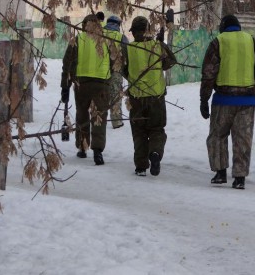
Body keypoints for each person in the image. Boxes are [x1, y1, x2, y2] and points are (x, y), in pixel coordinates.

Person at [200, 14, 255, 190]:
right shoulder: (253, 42)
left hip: (223, 100)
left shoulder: (218, 42)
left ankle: (220, 173)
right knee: (243, 139)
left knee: (217, 137)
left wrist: (204, 99)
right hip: (246, 102)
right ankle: (240, 178)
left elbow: (208, 74)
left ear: (223, 27)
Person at [124, 16, 177, 176]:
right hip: (156, 97)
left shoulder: (128, 49)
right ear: (148, 31)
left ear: (134, 32)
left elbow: (123, 70)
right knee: (157, 130)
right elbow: (171, 62)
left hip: (136, 97)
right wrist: (161, 47)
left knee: (139, 132)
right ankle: (155, 154)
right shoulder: (157, 46)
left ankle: (141, 166)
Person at [61, 14, 115, 165]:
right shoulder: (106, 41)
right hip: (102, 83)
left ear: (84, 24)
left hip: (82, 84)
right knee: (99, 116)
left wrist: (65, 86)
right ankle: (98, 151)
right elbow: (114, 62)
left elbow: (67, 64)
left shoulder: (78, 39)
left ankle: (82, 148)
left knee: (82, 114)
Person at [104, 15, 129, 129]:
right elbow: (127, 53)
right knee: (116, 96)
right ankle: (116, 121)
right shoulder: (121, 37)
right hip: (116, 70)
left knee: (101, 97)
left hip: (100, 71)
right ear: (118, 25)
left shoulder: (99, 35)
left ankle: (98, 121)